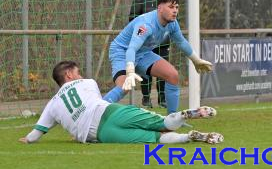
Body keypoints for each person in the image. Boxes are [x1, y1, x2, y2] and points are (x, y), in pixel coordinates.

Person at [19, 61, 223, 144]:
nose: (80, 74)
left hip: (99, 134)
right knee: (161, 123)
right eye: (77, 71)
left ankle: (188, 137)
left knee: (154, 139)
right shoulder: (87, 82)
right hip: (111, 112)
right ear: (70, 75)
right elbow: (101, 102)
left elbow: (34, 135)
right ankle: (182, 116)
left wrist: (26, 140)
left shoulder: (53, 104)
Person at [102, 0, 213, 114]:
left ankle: (172, 120)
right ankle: (95, 112)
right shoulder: (146, 24)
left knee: (172, 75)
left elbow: (181, 42)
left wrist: (196, 60)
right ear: (160, 8)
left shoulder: (172, 24)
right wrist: (130, 71)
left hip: (143, 53)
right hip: (122, 52)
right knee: (124, 86)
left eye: (176, 7)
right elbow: (132, 48)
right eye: (171, 7)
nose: (175, 11)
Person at [128, 0, 170, 108]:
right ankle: (146, 98)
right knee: (146, 70)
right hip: (145, 43)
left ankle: (162, 99)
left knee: (163, 71)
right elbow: (132, 18)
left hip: (162, 43)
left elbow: (173, 17)